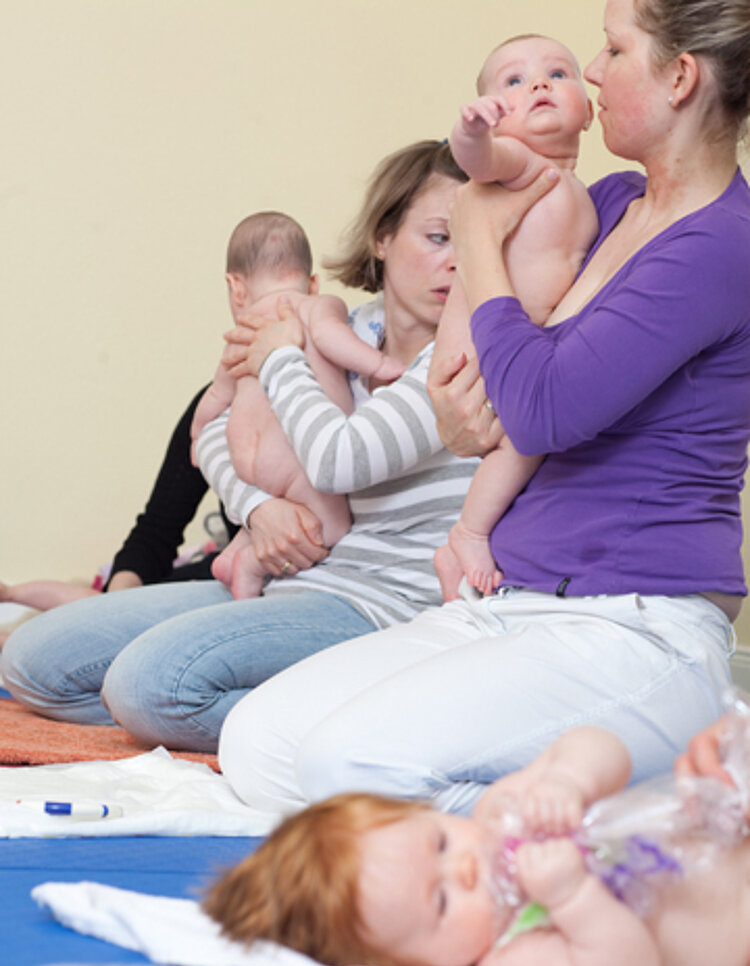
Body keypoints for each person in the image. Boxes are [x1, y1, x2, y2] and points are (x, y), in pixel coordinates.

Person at [215, 0, 750, 822]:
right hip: (512, 600)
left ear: (680, 76)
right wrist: (489, 389)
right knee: (257, 742)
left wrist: (470, 230)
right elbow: (469, 410)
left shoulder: (722, 246)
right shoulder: (606, 204)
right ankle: (548, 811)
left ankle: (613, 818)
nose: (593, 71)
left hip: (636, 624)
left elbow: (535, 410)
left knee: (341, 763)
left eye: (612, 49)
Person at [0, 140, 476, 758]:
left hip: (380, 605)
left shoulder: (464, 356)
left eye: (475, 247)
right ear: (383, 238)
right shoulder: (333, 323)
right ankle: (285, 702)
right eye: (439, 238)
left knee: (148, 686)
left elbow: (339, 459)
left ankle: (344, 723)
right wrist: (255, 507)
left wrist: (280, 354)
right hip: (288, 579)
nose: (457, 266)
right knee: (34, 661)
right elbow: (213, 433)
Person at [205, 724, 750, 966]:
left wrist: (567, 780)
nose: (465, 866)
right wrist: (571, 896)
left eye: (440, 844)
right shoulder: (511, 955)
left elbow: (599, 743)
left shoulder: (502, 814)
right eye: (441, 900)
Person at [433, 33, 599, 598]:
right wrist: (473, 129)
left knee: (530, 441)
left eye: (557, 73)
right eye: (513, 81)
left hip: (517, 352)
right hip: (479, 350)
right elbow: (478, 161)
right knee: (523, 444)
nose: (537, 85)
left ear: (590, 113)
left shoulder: (589, 193)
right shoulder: (522, 164)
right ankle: (468, 533)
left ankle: (462, 546)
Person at [192, 210, 404, 600]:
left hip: (245, 454)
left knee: (280, 509)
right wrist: (382, 364)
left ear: (235, 287)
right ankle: (252, 566)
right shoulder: (313, 306)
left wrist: (197, 433)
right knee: (331, 526)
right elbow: (334, 340)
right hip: (292, 454)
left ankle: (234, 550)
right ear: (312, 282)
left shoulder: (240, 334)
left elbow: (216, 397)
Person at [0, 384, 237, 647]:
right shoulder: (218, 407)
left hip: (239, 590)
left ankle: (14, 637)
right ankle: (15, 619)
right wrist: (117, 602)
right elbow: (156, 532)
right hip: (209, 581)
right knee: (98, 608)